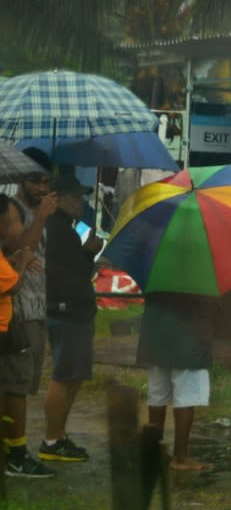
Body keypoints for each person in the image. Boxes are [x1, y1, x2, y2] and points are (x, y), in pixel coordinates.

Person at [39, 174, 102, 462]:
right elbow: (72, 271)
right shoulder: (57, 229)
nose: (81, 201)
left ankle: (59, 435)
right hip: (66, 309)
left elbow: (81, 264)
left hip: (76, 308)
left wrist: (89, 251)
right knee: (64, 375)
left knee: (73, 375)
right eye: (76, 196)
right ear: (59, 198)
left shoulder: (69, 226)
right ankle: (51, 439)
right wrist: (89, 253)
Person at [137, 292, 216, 471]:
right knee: (186, 396)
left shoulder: (154, 266)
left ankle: (154, 453)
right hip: (187, 336)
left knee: (157, 395)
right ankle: (181, 457)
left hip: (155, 333)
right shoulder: (197, 273)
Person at [0, 194, 50, 477]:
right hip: (5, 329)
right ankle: (17, 453)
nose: (20, 228)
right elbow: (13, 287)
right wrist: (21, 262)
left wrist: (11, 258)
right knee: (15, 388)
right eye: (17, 221)